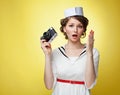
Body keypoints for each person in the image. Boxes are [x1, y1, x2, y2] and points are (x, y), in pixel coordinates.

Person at [40, 7, 100, 95]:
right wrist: (47, 55)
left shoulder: (93, 52)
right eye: (71, 25)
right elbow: (49, 86)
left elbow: (90, 84)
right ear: (64, 28)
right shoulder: (56, 53)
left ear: (83, 30)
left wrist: (89, 53)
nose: (75, 30)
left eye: (79, 26)